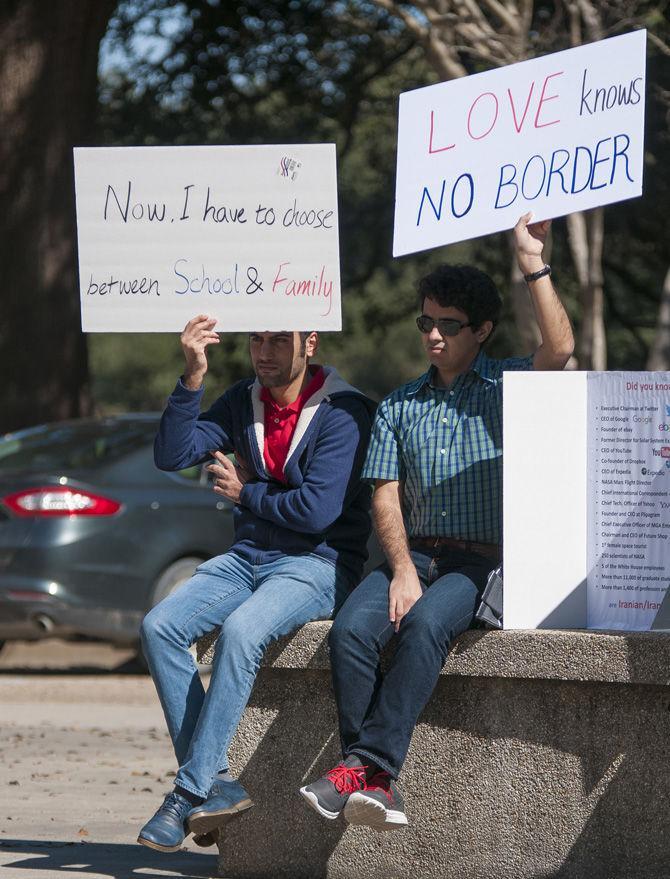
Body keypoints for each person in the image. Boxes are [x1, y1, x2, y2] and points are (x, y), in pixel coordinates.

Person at [300, 213, 574, 829]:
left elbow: (560, 349)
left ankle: (361, 767)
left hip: (480, 561)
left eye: (448, 326)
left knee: (424, 627)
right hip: (414, 552)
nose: (433, 336)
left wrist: (534, 262)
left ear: (481, 331)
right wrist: (400, 569)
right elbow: (385, 493)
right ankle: (375, 782)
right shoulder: (399, 402)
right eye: (426, 321)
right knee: (349, 631)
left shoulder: (507, 384)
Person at [138, 317, 374, 852]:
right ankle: (216, 781)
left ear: (309, 343)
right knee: (160, 626)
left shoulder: (345, 411)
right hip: (248, 557)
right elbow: (171, 456)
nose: (264, 351)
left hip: (318, 564)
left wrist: (247, 495)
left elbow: (317, 512)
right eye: (257, 339)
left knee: (243, 631)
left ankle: (187, 793)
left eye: (279, 339)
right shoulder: (243, 399)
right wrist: (192, 378)